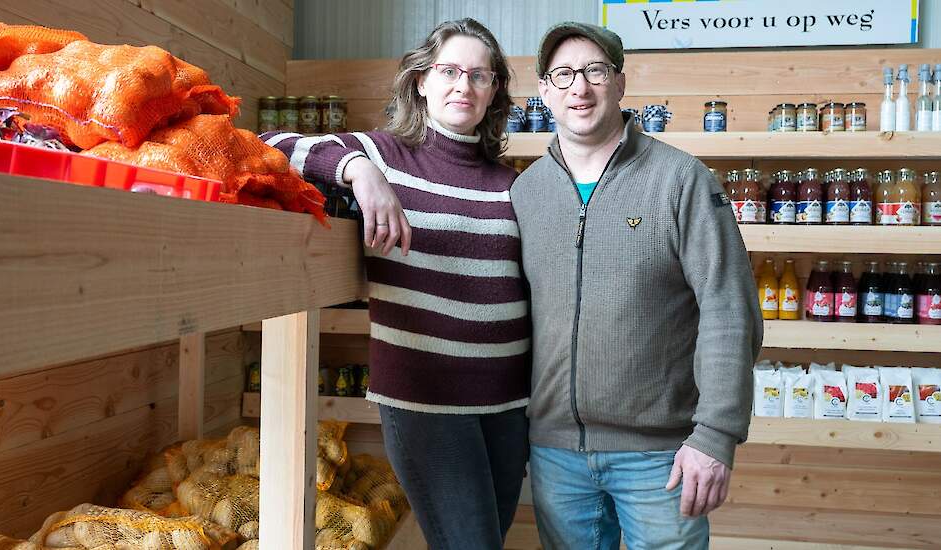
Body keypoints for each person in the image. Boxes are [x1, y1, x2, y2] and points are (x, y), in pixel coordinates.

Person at [262, 18, 530, 550]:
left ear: (494, 90)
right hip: (426, 400)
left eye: (480, 76)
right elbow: (267, 144)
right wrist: (359, 170)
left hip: (508, 404)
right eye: (449, 71)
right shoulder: (385, 155)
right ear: (421, 81)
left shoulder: (511, 181)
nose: (463, 86)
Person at [511, 22, 763, 549]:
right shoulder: (526, 192)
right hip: (555, 453)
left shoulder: (680, 179)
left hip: (662, 457)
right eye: (563, 75)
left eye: (595, 71)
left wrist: (715, 436)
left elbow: (729, 308)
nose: (579, 87)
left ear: (621, 84)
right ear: (544, 93)